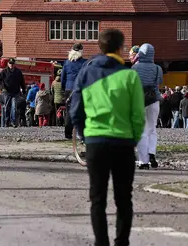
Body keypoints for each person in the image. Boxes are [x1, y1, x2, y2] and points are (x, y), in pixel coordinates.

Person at [71, 28, 144, 246]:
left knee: (97, 198)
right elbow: (138, 115)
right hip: (122, 142)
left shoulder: (86, 73)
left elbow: (75, 110)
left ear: (100, 48)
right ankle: (122, 241)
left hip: (96, 142)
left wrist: (85, 134)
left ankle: (100, 242)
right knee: (123, 198)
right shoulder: (130, 76)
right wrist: (133, 139)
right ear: (121, 48)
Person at [132, 43, 163, 170]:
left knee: (142, 131)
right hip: (154, 100)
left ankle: (143, 161)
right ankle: (152, 153)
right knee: (152, 129)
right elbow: (159, 82)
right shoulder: (157, 68)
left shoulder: (135, 68)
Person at [62, 44, 87, 140]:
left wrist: (65, 88)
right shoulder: (84, 62)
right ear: (81, 51)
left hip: (69, 89)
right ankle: (80, 132)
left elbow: (63, 78)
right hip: (80, 90)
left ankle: (68, 133)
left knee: (69, 112)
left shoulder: (67, 63)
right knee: (81, 111)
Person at [0, 58, 25, 127]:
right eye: (10, 63)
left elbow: (22, 81)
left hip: (15, 92)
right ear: (8, 64)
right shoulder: (4, 72)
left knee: (14, 107)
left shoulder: (18, 72)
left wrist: (24, 89)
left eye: (12, 63)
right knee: (7, 107)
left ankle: (13, 122)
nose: (11, 65)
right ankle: (6, 121)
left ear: (14, 64)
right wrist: (2, 88)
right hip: (7, 92)